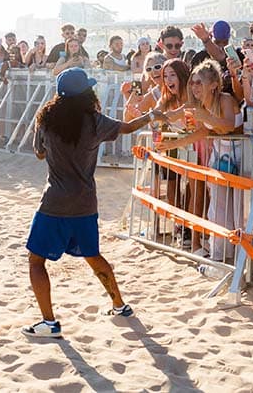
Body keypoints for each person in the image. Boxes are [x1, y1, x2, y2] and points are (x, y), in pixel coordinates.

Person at [22, 68, 167, 338]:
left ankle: (49, 323)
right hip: (86, 202)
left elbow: (39, 154)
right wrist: (151, 115)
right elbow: (127, 128)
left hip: (54, 202)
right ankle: (119, 305)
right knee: (93, 256)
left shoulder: (46, 119)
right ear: (87, 93)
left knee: (36, 262)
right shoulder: (94, 121)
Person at [157, 60, 243, 261]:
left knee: (239, 208)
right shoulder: (197, 104)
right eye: (192, 82)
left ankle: (241, 255)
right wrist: (170, 143)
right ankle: (220, 253)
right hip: (220, 156)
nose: (194, 87)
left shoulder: (225, 99)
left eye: (198, 82)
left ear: (213, 84)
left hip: (241, 155)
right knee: (217, 208)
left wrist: (205, 116)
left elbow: (228, 125)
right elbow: (174, 117)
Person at [123, 52, 167, 120]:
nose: (153, 71)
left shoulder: (177, 87)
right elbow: (127, 119)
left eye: (157, 67)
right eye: (149, 69)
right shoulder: (153, 94)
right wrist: (129, 97)